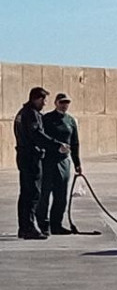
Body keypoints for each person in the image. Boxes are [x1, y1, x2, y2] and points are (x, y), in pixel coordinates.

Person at [13, 87, 70, 240]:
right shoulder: (31, 114)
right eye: (43, 100)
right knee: (32, 193)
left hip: (24, 155)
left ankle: (24, 227)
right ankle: (29, 227)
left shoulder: (22, 113)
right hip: (31, 157)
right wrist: (57, 145)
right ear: (36, 99)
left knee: (26, 193)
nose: (45, 104)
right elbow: (37, 135)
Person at [37, 93, 82, 235]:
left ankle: (57, 224)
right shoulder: (47, 119)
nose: (64, 105)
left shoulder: (70, 121)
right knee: (45, 193)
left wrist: (77, 163)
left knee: (61, 194)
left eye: (67, 102)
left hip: (64, 161)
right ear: (56, 103)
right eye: (62, 102)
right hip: (48, 160)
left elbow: (75, 142)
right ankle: (42, 224)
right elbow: (41, 137)